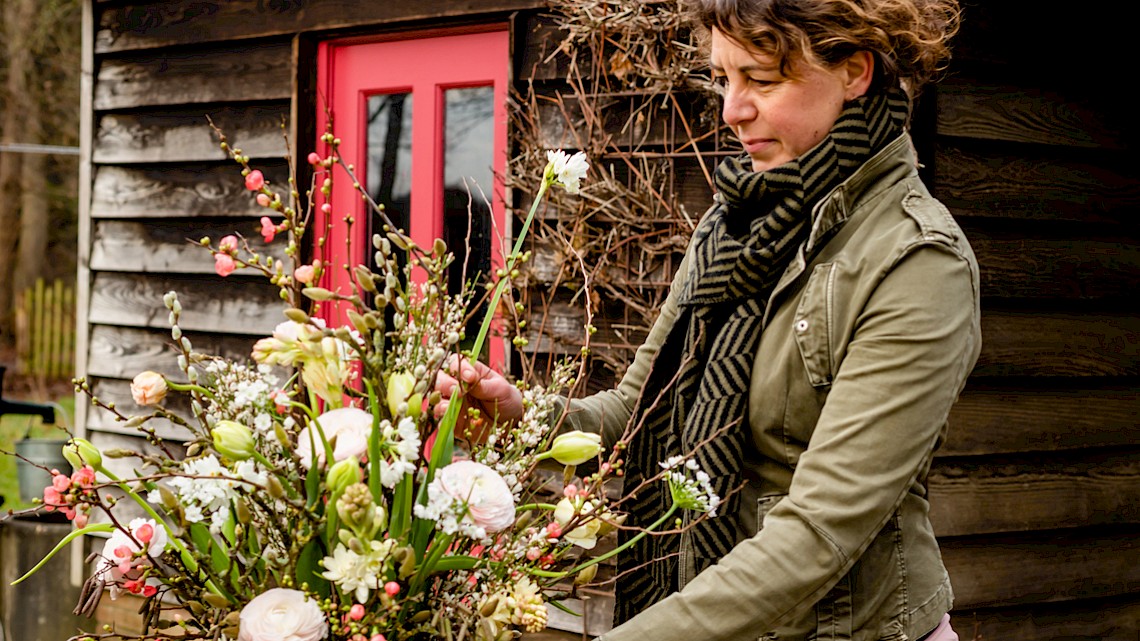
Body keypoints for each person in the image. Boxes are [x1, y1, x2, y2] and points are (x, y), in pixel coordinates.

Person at [438, 0, 977, 639]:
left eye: (763, 79)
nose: (732, 110)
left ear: (855, 72)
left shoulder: (915, 261)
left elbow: (821, 531)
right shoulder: (734, 228)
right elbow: (635, 414)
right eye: (724, 79)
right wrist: (522, 415)